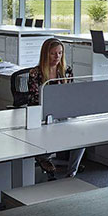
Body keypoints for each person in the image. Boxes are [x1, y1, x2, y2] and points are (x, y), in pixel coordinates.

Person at [29, 38, 85, 179]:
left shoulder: (66, 71)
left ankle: (71, 173)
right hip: (44, 115)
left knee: (83, 136)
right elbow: (35, 100)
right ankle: (43, 156)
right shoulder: (35, 74)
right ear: (45, 54)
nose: (57, 57)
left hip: (63, 112)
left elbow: (70, 94)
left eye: (60, 53)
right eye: (53, 53)